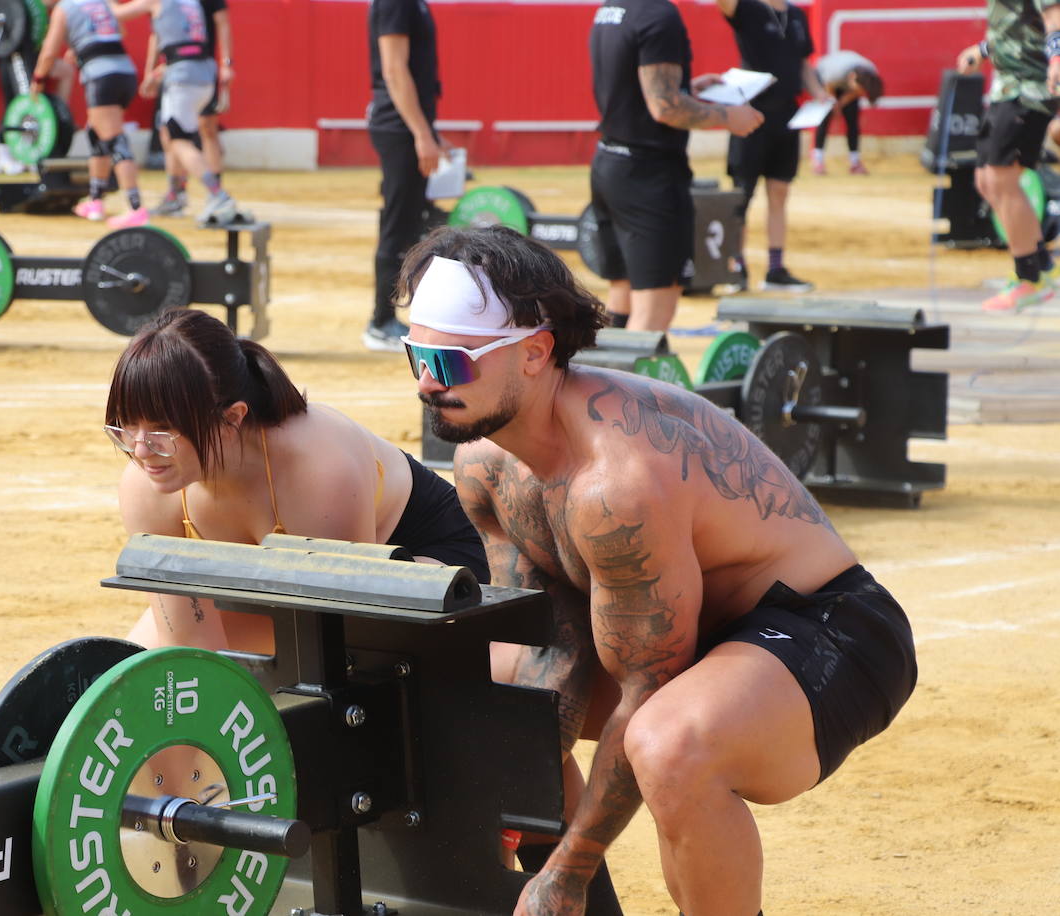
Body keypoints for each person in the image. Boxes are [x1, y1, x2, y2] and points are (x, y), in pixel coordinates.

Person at [399, 225, 918, 916]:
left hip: (830, 630)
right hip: (703, 645)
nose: (430, 383)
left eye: (452, 362)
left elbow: (650, 687)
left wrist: (566, 873)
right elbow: (552, 654)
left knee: (669, 748)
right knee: (494, 701)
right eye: (416, 356)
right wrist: (506, 783)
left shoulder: (616, 483)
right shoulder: (485, 467)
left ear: (533, 353)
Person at [103, 308, 489, 653]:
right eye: (125, 428)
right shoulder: (144, 489)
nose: (140, 451)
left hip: (423, 563)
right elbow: (187, 644)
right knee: (140, 665)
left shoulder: (317, 471)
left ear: (232, 419)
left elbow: (345, 634)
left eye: (162, 432)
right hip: (275, 591)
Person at [588, 0, 764, 332]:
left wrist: (688, 89)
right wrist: (729, 117)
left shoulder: (611, 8)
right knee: (655, 308)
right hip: (648, 175)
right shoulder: (659, 14)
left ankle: (601, 380)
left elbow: (635, 88)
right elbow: (664, 108)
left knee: (622, 294)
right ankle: (626, 386)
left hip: (611, 164)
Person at [717, 0, 828, 293]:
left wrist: (817, 92)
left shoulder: (796, 15)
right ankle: (736, 266)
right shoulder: (748, 8)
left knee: (780, 191)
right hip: (750, 113)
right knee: (742, 195)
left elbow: (804, 62)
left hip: (787, 115)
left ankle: (776, 269)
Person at [957, 0, 1060, 312]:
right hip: (1007, 86)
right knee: (986, 180)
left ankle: (1028, 278)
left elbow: (1053, 15)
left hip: (1030, 87)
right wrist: (983, 50)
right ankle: (1042, 266)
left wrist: (1057, 57)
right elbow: (1017, 24)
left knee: (1002, 179)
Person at [365, 0, 450, 351]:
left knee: (413, 223)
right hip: (398, 129)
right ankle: (380, 320)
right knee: (398, 225)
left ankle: (406, 313)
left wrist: (429, 132)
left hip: (407, 128)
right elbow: (394, 69)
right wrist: (421, 134)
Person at [31, 0, 152, 228]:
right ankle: (95, 201)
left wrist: (38, 80)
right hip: (124, 72)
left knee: (114, 140)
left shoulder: (64, 9)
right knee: (96, 133)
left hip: (101, 76)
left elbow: (49, 52)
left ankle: (136, 208)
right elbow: (118, 30)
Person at [137, 0, 242, 227]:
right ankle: (176, 194)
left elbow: (222, 24)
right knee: (170, 136)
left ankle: (215, 191)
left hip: (199, 67)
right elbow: (157, 33)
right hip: (178, 67)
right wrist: (151, 71)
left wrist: (226, 63)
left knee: (204, 130)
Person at [811, 51, 884, 175]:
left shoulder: (870, 74)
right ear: (852, 77)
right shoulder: (836, 72)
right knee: (824, 118)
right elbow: (828, 86)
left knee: (852, 119)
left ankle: (855, 162)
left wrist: (841, 104)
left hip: (844, 84)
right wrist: (834, 104)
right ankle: (818, 161)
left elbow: (858, 91)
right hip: (824, 81)